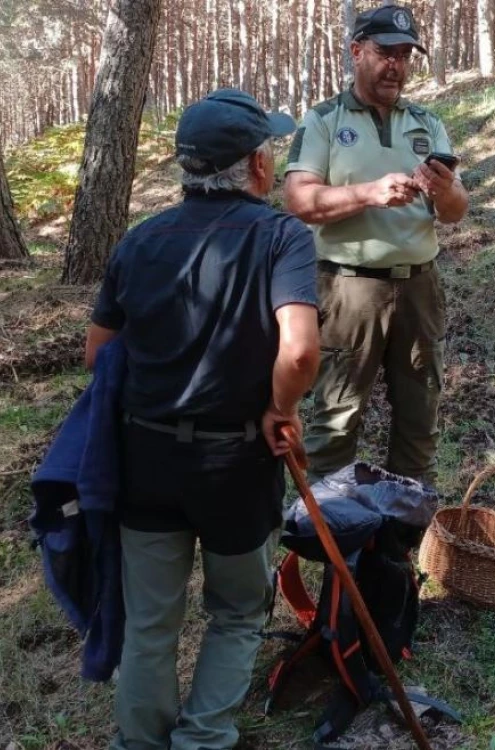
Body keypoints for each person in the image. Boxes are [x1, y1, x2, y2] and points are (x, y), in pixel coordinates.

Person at [85, 88, 320, 750]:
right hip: (234, 462)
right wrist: (281, 408)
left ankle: (141, 743)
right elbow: (300, 349)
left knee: (151, 623)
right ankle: (202, 739)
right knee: (240, 609)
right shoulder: (281, 237)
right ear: (255, 166)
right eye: (267, 148)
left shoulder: (140, 241)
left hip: (146, 460)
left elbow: (99, 352)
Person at [284, 4, 468, 486]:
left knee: (419, 418)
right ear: (357, 51)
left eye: (406, 55)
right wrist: (368, 194)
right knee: (337, 420)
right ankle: (336, 548)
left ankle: (399, 549)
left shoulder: (426, 123)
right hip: (348, 291)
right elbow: (299, 200)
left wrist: (443, 188)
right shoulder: (325, 120)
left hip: (419, 289)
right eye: (387, 52)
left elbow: (455, 211)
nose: (397, 65)